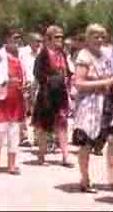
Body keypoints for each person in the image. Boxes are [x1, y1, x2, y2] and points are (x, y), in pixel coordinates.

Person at [72, 23, 113, 193]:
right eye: (95, 36)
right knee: (87, 142)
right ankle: (85, 178)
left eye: (102, 36)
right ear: (88, 38)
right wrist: (104, 82)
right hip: (90, 103)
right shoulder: (84, 56)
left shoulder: (107, 54)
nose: (99, 39)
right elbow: (78, 83)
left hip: (108, 101)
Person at [32, 25, 73, 167]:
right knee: (43, 125)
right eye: (57, 37)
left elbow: (68, 71)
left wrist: (67, 81)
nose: (60, 39)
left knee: (62, 123)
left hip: (61, 94)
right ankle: (41, 155)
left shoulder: (62, 54)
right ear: (49, 38)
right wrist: (51, 80)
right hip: (46, 95)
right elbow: (37, 73)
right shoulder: (43, 54)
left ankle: (65, 157)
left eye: (61, 36)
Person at [0, 28, 26, 175]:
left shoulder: (22, 56)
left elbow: (24, 74)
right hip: (0, 97)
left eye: (19, 38)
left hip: (16, 97)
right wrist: (6, 81)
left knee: (14, 130)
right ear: (7, 39)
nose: (18, 40)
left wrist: (25, 84)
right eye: (15, 37)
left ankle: (11, 164)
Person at [19, 32, 43, 147]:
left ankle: (37, 137)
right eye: (37, 41)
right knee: (22, 112)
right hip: (24, 85)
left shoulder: (42, 53)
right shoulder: (22, 52)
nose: (39, 44)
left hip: (37, 85)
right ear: (30, 41)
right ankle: (23, 137)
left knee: (36, 112)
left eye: (40, 41)